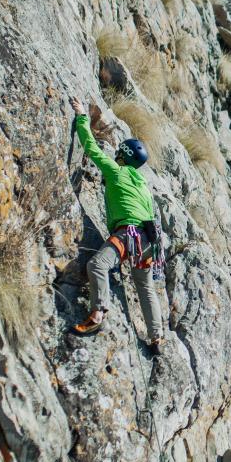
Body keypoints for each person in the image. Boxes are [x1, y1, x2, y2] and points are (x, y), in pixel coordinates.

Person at [67, 98, 165, 349]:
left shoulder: (115, 170)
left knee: (98, 265)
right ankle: (157, 336)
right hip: (146, 242)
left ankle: (98, 312)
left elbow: (90, 146)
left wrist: (81, 117)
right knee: (145, 286)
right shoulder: (143, 185)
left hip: (127, 234)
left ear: (122, 154)